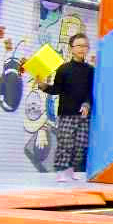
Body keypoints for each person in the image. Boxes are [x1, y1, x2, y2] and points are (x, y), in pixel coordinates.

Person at [42, 33, 94, 182]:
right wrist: (43, 86)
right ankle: (61, 170)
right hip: (66, 113)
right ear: (71, 48)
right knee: (65, 142)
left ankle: (71, 169)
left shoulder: (91, 70)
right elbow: (56, 89)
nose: (82, 48)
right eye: (79, 45)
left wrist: (87, 104)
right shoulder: (63, 69)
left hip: (83, 115)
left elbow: (91, 91)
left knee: (81, 144)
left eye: (85, 46)